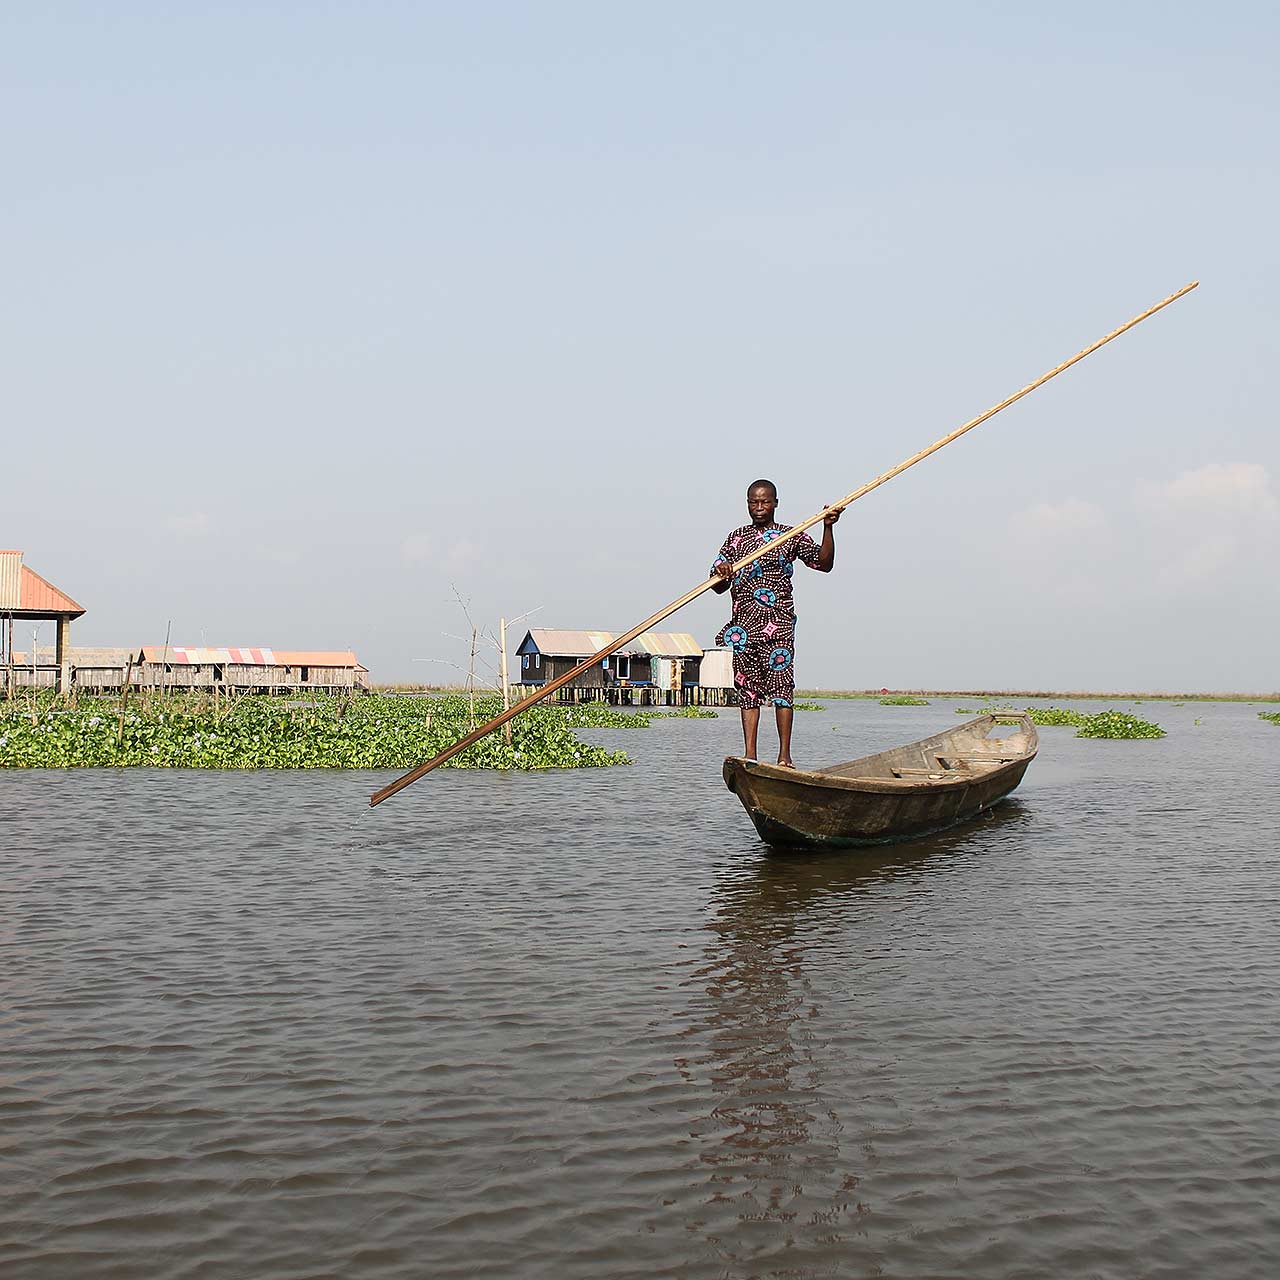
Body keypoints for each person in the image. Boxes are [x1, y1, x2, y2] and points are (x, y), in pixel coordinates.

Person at [711, 479, 842, 766]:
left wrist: (828, 527)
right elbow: (716, 585)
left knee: (782, 690)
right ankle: (750, 755)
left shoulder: (790, 535)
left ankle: (784, 756)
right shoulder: (736, 538)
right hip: (743, 629)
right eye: (753, 502)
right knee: (747, 691)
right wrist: (722, 572)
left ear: (776, 503)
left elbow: (824, 563)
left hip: (778, 626)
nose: (759, 507)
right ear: (747, 504)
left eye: (765, 501)